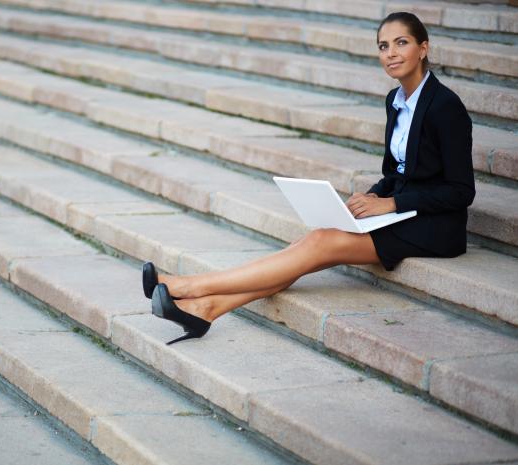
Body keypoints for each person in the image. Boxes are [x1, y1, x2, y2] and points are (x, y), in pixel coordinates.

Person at [142, 12, 475, 345]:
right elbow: (397, 172)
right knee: (310, 243)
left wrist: (392, 203)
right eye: (383, 46)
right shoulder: (395, 101)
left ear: (423, 48)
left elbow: (461, 191)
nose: (390, 53)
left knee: (318, 243)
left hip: (434, 227)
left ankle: (190, 287)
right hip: (401, 213)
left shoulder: (445, 106)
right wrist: (372, 197)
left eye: (401, 43)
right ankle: (206, 309)